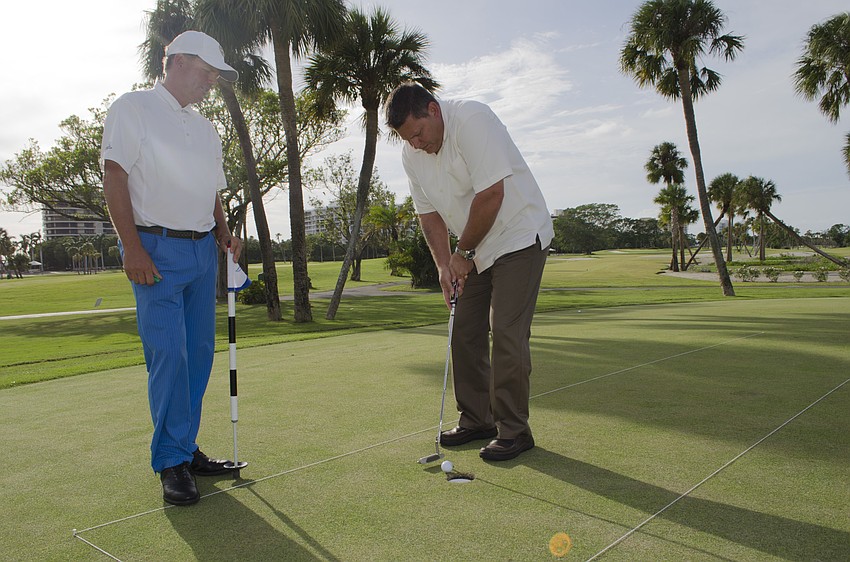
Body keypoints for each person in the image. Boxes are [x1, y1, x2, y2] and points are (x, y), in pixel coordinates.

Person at [102, 30, 243, 506]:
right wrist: (131, 247)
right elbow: (114, 174)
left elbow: (213, 189)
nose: (211, 83)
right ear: (178, 62)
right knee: (169, 357)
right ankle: (170, 461)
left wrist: (222, 229)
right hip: (155, 251)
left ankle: (186, 447)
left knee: (198, 356)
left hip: (203, 251)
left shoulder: (206, 128)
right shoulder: (132, 108)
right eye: (207, 73)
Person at [385, 83, 554, 461]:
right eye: (406, 139)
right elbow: (428, 216)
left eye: (417, 134)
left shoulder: (473, 119)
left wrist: (462, 253)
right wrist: (445, 266)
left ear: (433, 110)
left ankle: (514, 431)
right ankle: (478, 419)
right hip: (476, 246)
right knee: (464, 329)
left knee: (506, 330)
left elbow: (492, 195)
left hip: (519, 235)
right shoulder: (412, 155)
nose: (415, 144)